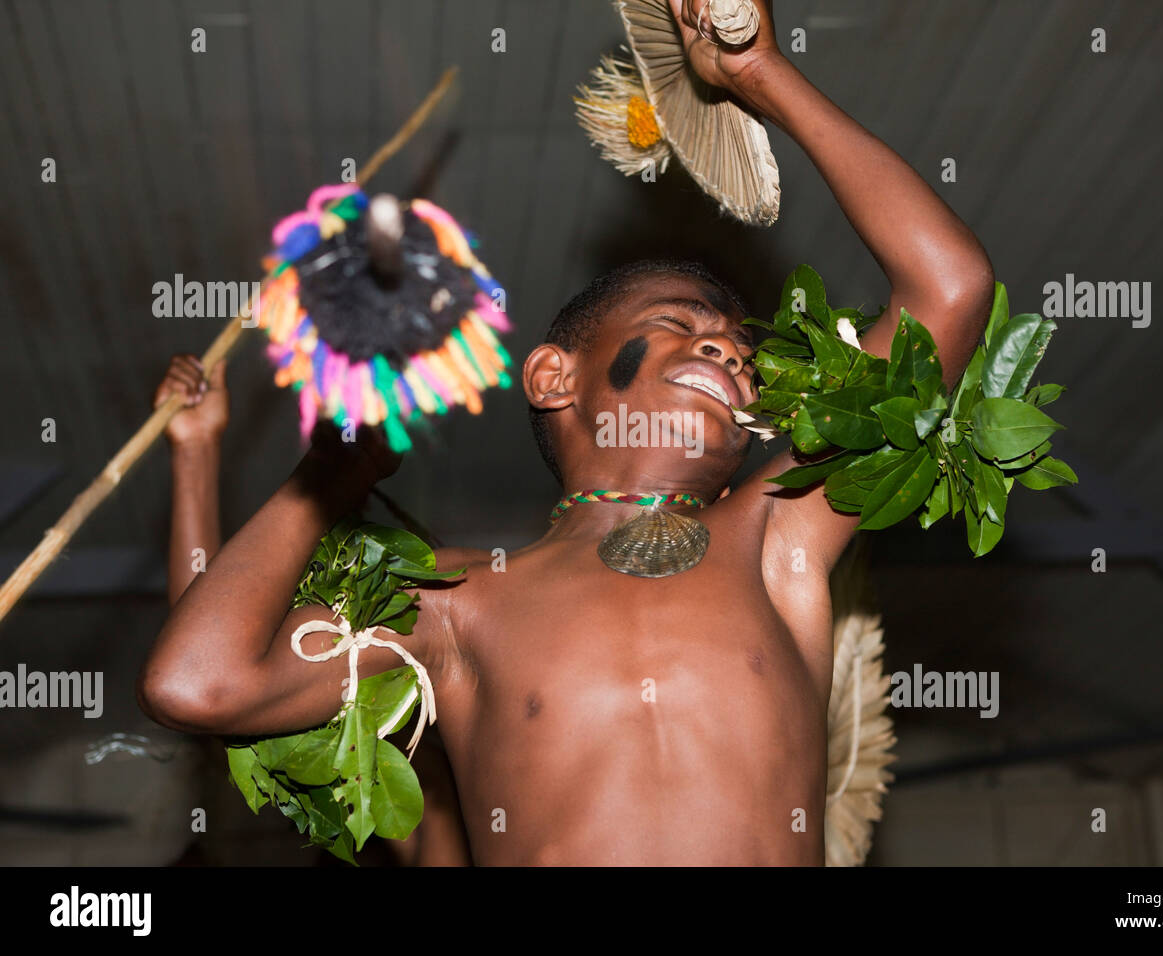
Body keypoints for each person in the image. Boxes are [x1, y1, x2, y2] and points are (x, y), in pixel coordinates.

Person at [138, 0, 993, 865]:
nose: (725, 349)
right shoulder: (454, 603)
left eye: (742, 351)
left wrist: (757, 77)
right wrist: (327, 476)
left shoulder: (780, 536)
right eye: (680, 321)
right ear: (553, 376)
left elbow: (948, 289)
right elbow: (199, 681)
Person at [153, 354, 471, 866]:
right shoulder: (305, 721)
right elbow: (202, 662)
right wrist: (195, 446)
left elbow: (203, 677)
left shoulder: (423, 764)